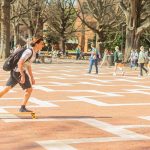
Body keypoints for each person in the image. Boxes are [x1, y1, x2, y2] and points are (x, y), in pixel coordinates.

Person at [0, 37, 45, 112]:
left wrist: (32, 77)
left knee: (6, 89)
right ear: (36, 44)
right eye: (42, 44)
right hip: (18, 72)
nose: (43, 45)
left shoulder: (34, 52)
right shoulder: (29, 52)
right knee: (29, 89)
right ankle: (22, 107)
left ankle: (23, 107)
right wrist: (23, 75)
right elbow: (20, 63)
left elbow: (28, 65)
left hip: (16, 71)